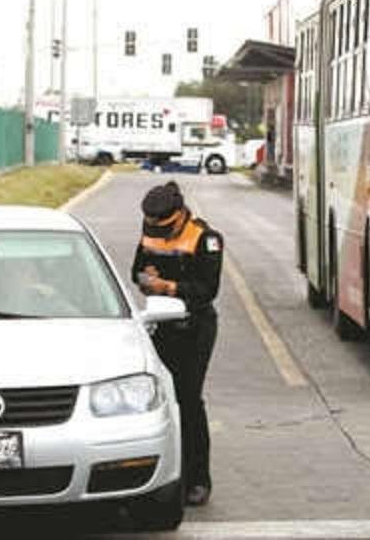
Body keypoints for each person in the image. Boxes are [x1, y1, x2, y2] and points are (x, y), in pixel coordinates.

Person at [131, 181, 223, 506]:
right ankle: (163, 475)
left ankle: (198, 479)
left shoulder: (205, 239)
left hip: (194, 327)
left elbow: (207, 290)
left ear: (180, 214)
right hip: (160, 324)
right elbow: (136, 272)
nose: (157, 232)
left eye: (164, 225)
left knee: (188, 399)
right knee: (159, 400)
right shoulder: (150, 231)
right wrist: (145, 280)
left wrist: (168, 287)